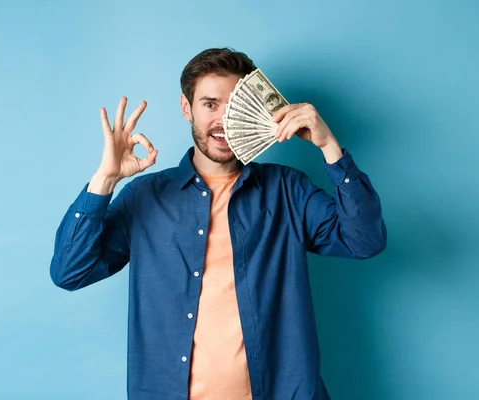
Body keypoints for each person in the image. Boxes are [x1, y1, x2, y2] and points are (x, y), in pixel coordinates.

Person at [50, 48, 387, 400]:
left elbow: (364, 240)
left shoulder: (288, 190)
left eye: (235, 105)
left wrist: (329, 147)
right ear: (187, 108)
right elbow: (70, 272)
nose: (224, 120)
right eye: (210, 104)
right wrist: (104, 179)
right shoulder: (144, 197)